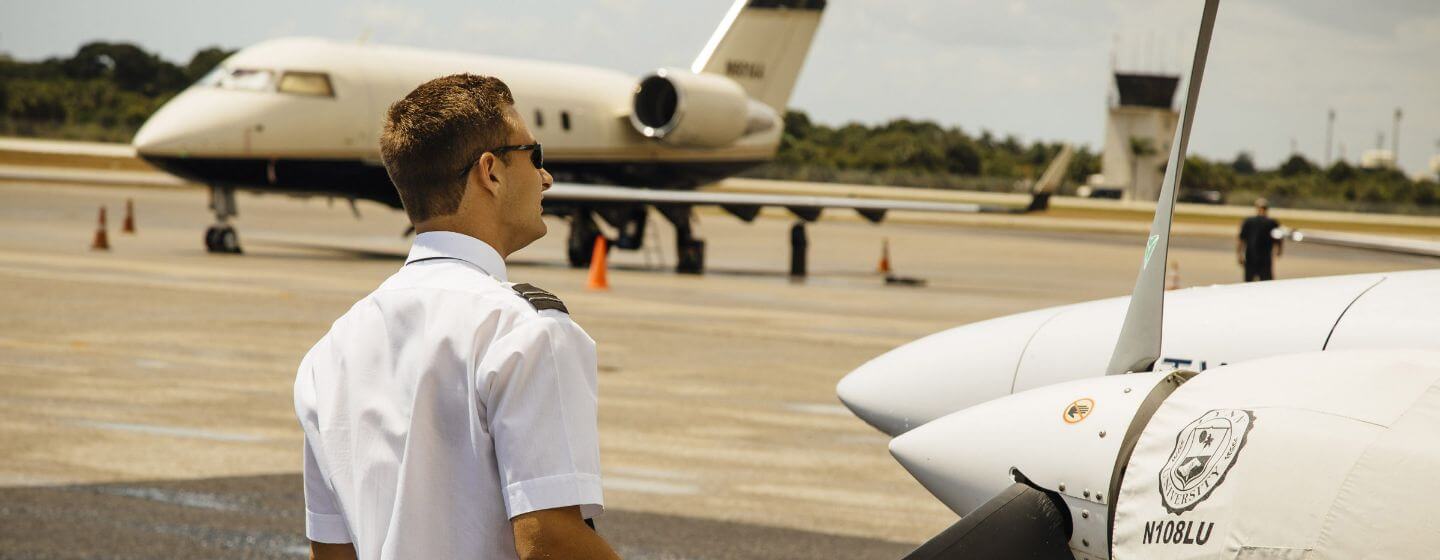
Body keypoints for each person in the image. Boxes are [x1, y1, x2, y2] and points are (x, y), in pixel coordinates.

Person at [293, 74, 620, 560]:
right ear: (491, 171)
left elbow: (332, 552)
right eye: (536, 156)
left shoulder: (331, 352)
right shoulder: (524, 330)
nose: (546, 177)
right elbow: (549, 542)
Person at [1237, 198, 1282, 282]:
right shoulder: (1271, 222)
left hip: (1258, 257)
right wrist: (1279, 250)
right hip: (1256, 258)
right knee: (1260, 283)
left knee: (1257, 282)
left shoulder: (1271, 222)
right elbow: (1242, 238)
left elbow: (1241, 239)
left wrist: (1239, 254)